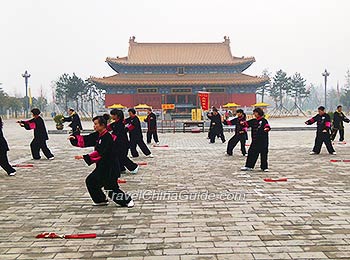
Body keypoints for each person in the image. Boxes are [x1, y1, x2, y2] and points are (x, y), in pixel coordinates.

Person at [69, 114, 134, 207]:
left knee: (110, 187)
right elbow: (86, 139)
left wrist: (85, 157)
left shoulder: (107, 137)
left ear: (103, 125)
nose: (94, 126)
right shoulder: (98, 135)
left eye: (96, 124)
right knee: (91, 181)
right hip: (102, 166)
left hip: (110, 167)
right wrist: (74, 138)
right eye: (94, 124)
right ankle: (100, 200)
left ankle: (127, 200)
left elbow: (101, 152)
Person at [108, 109, 139, 174]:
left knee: (122, 157)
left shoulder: (120, 124)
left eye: (113, 115)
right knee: (117, 156)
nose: (112, 116)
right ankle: (121, 169)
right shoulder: (116, 123)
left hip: (122, 144)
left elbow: (115, 134)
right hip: (118, 144)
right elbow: (108, 127)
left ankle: (134, 167)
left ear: (117, 116)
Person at [241, 108, 271, 172]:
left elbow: (267, 126)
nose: (254, 114)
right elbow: (246, 124)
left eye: (255, 113)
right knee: (251, 153)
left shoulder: (263, 120)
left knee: (263, 154)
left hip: (263, 141)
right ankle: (249, 166)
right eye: (254, 113)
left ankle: (264, 167)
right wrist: (242, 123)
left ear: (259, 113)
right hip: (255, 141)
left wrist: (266, 129)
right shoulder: (253, 121)